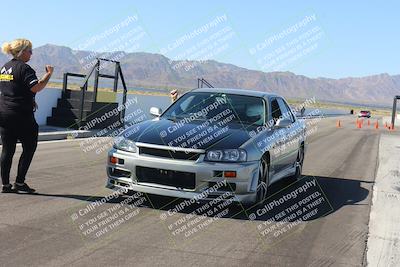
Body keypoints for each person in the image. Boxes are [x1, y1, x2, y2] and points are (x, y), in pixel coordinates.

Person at [0, 39, 53, 193]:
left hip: (4, 113)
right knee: (29, 147)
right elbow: (36, 87)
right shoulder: (25, 68)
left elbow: (13, 89)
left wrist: (29, 100)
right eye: (30, 51)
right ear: (22, 52)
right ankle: (20, 183)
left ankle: (5, 185)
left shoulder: (5, 68)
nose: (31, 53)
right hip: (21, 116)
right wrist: (48, 74)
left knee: (7, 150)